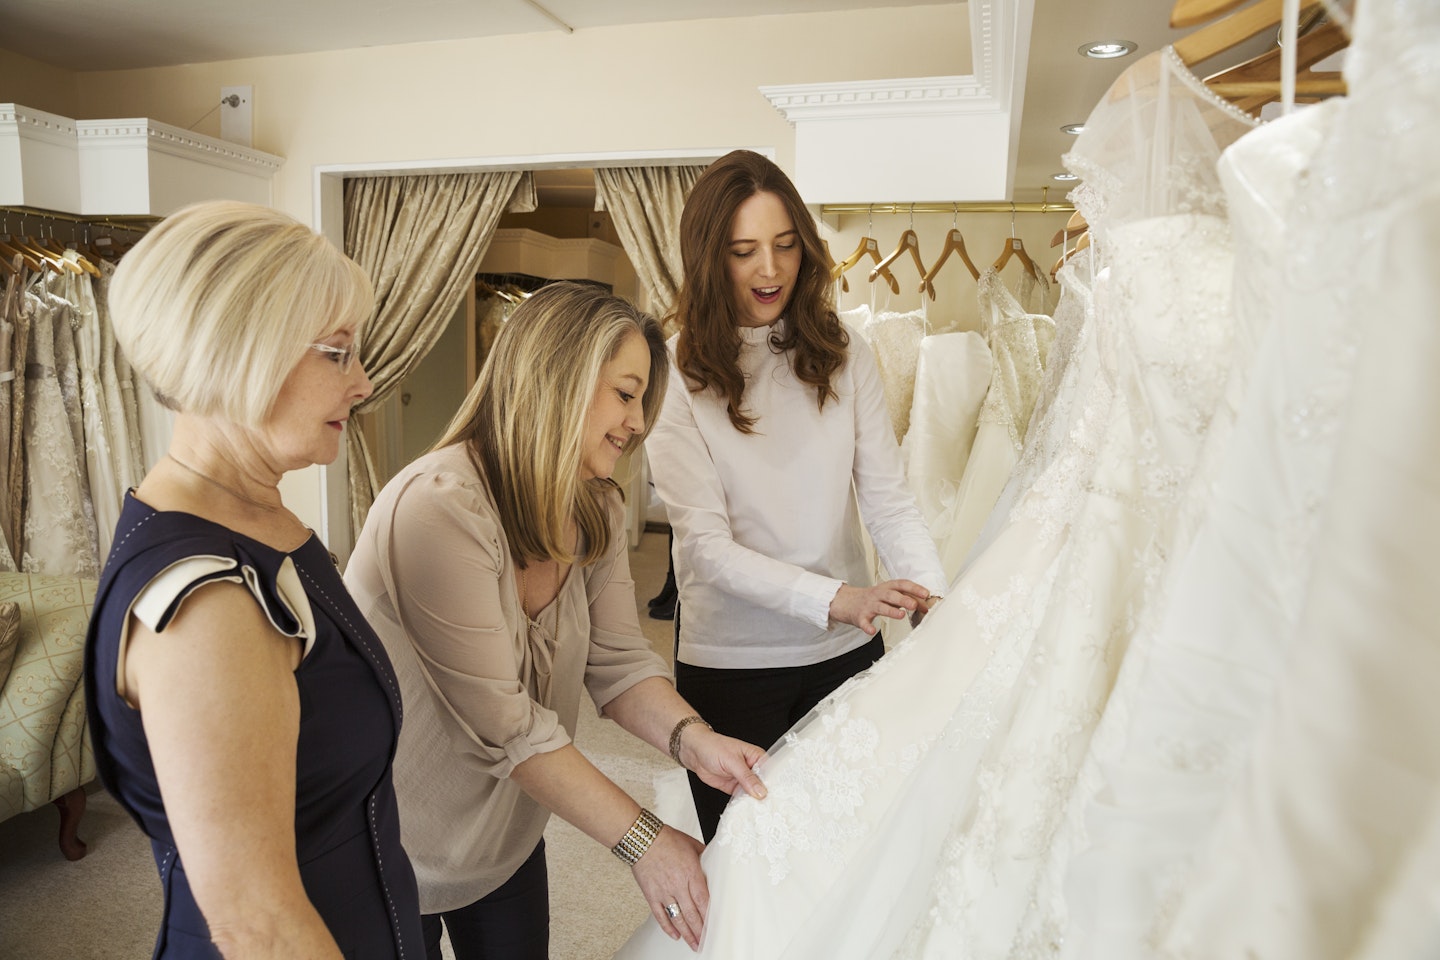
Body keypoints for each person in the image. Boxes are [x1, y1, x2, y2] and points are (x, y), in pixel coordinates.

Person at [343, 281, 768, 958]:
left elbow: (621, 664)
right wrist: (644, 840)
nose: (638, 423)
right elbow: (505, 724)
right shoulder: (438, 507)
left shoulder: (594, 506)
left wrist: (694, 740)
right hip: (389, 838)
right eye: (626, 394)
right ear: (558, 378)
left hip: (506, 833)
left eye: (644, 404)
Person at [84, 200, 423, 958]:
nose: (363, 381)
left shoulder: (262, 528)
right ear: (244, 351)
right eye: (337, 352)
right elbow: (258, 927)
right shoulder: (208, 606)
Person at [644, 149, 948, 842]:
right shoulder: (672, 372)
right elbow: (708, 550)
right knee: (748, 864)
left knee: (849, 855)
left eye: (785, 246)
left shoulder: (846, 352)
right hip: (733, 664)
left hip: (847, 655)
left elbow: (888, 499)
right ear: (708, 258)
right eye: (744, 251)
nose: (771, 269)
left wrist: (930, 595)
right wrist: (837, 598)